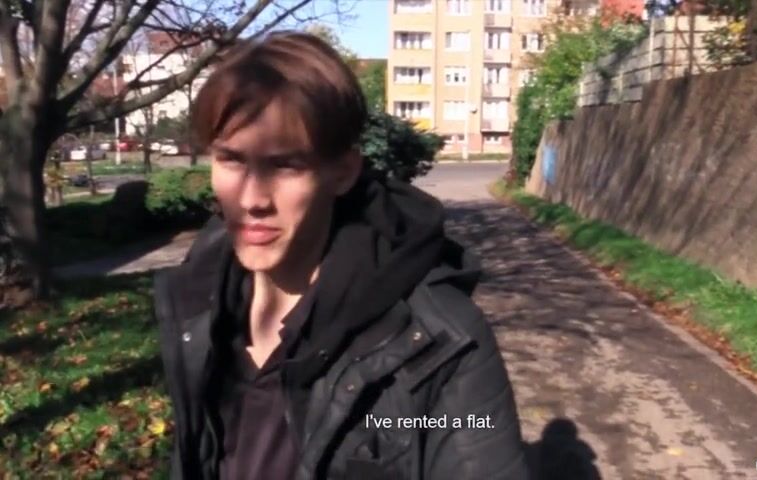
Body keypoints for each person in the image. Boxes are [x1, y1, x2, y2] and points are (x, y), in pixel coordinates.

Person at [152, 31, 529, 480]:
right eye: (232, 160)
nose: (252, 199)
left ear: (343, 172)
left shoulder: (441, 339)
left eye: (285, 165)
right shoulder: (200, 299)